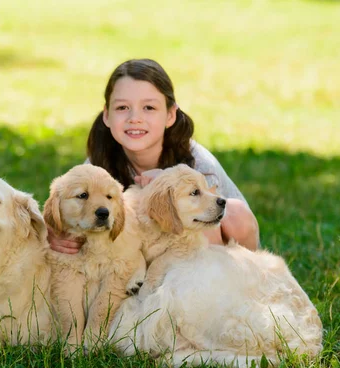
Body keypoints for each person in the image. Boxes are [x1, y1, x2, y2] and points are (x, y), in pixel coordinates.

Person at [49, 58, 259, 254]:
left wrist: (164, 186)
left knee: (236, 214)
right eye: (122, 107)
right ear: (107, 115)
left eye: (149, 107)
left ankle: (252, 281)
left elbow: (208, 239)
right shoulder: (98, 165)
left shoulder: (197, 162)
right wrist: (55, 234)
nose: (135, 118)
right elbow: (66, 209)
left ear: (170, 115)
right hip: (149, 253)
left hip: (215, 254)